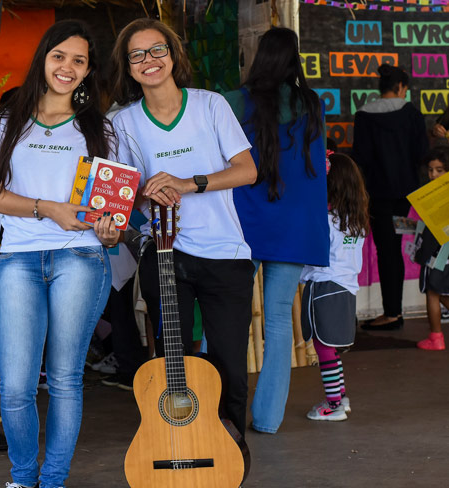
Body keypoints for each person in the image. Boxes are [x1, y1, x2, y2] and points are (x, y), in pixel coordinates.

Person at [0, 20, 119, 488]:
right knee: (16, 386)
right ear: (43, 57)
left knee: (64, 379)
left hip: (80, 258)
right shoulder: (8, 120)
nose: (67, 67)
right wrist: (49, 209)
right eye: (59, 56)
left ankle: (53, 480)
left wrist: (109, 230)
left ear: (87, 72)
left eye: (79, 61)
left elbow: (111, 216)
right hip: (18, 258)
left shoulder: (99, 129)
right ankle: (22, 477)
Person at [110, 18, 257, 436]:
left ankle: (232, 450)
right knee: (170, 361)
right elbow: (125, 193)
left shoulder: (210, 105)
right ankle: (176, 442)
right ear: (128, 66)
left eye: (157, 50)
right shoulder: (124, 123)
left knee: (229, 362)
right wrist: (145, 194)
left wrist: (186, 184)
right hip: (164, 252)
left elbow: (246, 171)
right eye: (136, 55)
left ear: (173, 55)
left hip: (225, 254)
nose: (148, 61)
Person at [224, 27, 330, 434]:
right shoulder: (312, 103)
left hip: (243, 225)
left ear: (260, 56)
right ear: (295, 58)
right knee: (279, 323)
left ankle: (211, 410)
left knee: (226, 318)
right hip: (294, 227)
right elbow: (314, 173)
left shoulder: (235, 102)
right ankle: (267, 420)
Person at [352, 64, 428, 331]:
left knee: (387, 251)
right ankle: (393, 312)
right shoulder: (412, 115)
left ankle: (392, 313)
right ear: (400, 88)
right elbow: (422, 154)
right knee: (396, 248)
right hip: (405, 198)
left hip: (377, 196)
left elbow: (359, 158)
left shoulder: (363, 116)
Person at [300, 152, 369, 421]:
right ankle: (339, 396)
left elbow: (316, 258)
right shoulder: (356, 220)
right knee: (331, 347)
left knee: (324, 348)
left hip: (325, 288)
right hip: (346, 287)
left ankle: (334, 404)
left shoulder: (325, 220)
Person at [412, 147, 449, 350]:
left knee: (434, 292)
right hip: (442, 254)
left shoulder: (437, 196)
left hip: (438, 255)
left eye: (440, 170)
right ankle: (435, 337)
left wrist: (422, 254)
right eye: (431, 170)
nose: (433, 174)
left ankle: (436, 337)